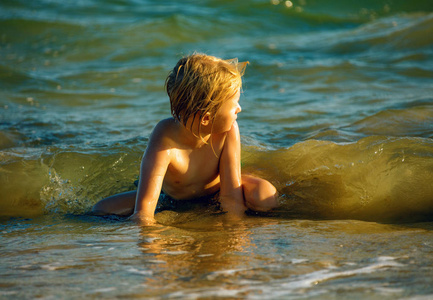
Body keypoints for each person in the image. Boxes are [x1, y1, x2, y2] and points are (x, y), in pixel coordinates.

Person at [92, 53, 278, 224]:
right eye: (234, 104)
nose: (239, 109)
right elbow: (145, 208)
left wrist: (234, 229)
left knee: (265, 195)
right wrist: (149, 239)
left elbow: (231, 195)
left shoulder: (228, 130)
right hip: (169, 198)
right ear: (206, 118)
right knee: (100, 209)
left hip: (215, 194)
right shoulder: (165, 136)